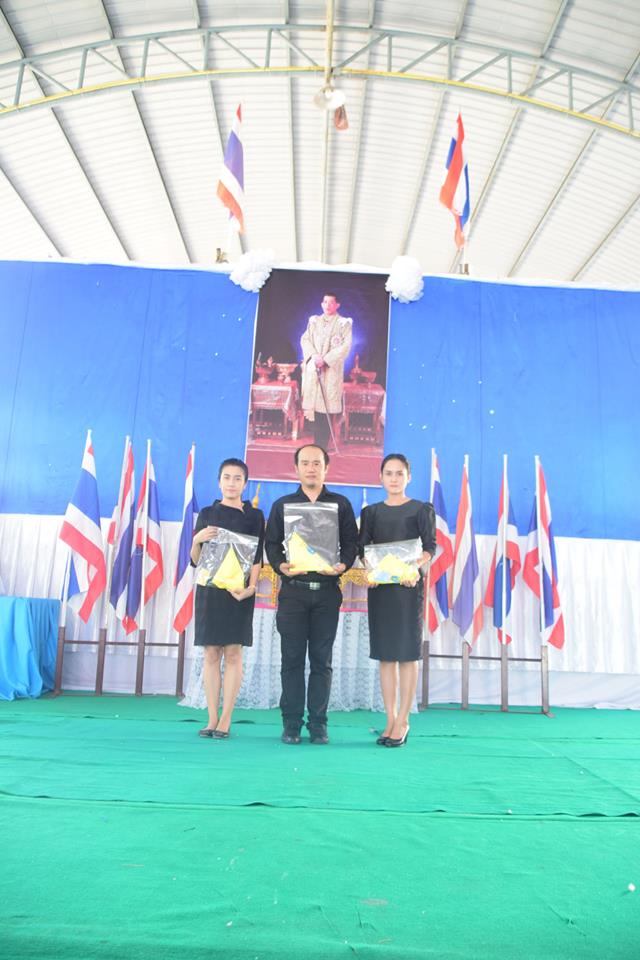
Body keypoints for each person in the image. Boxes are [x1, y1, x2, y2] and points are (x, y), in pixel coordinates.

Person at [265, 444, 358, 744]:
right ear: (296, 468)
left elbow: (351, 543)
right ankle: (291, 724)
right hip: (293, 593)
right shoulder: (283, 505)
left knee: (321, 661)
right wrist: (280, 565)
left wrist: (343, 564)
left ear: (326, 468)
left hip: (327, 593)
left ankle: (318, 724)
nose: (311, 468)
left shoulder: (341, 504)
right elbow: (271, 544)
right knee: (291, 660)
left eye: (317, 463)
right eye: (305, 463)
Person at [359, 453, 435, 748]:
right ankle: (389, 718)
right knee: (386, 655)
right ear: (380, 477)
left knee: (407, 654)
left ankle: (404, 719)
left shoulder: (421, 509)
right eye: (388, 473)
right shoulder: (371, 512)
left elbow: (429, 547)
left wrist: (413, 568)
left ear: (408, 477)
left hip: (407, 588)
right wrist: (370, 571)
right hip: (381, 589)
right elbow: (364, 549)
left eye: (399, 473)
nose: (394, 478)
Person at [190, 458, 264, 739]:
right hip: (209, 592)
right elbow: (196, 561)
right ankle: (211, 717)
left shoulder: (255, 516)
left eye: (237, 478)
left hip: (238, 594)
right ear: (219, 481)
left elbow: (256, 557)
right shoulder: (208, 513)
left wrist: (251, 587)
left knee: (233, 653)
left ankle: (226, 718)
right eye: (227, 477)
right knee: (211, 653)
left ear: (245, 484)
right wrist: (197, 540)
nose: (232, 483)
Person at [300, 293, 352, 450]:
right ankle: (318, 444)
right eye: (325, 302)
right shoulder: (314, 321)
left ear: (337, 305)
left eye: (331, 302)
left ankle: (322, 445)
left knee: (326, 409)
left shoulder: (343, 324)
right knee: (316, 408)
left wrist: (326, 360)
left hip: (330, 371)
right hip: (315, 368)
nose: (327, 305)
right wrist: (314, 356)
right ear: (321, 304)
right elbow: (305, 339)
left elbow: (345, 346)